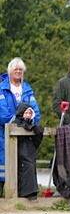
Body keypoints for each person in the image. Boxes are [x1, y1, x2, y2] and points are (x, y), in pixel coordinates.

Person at [0, 58, 42, 199]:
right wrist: (16, 121)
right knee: (3, 163)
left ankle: (25, 195)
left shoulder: (27, 89)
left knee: (26, 161)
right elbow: (2, 111)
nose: (18, 72)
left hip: (25, 133)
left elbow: (34, 110)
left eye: (20, 69)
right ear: (10, 71)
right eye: (15, 69)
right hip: (4, 132)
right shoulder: (2, 88)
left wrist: (30, 123)